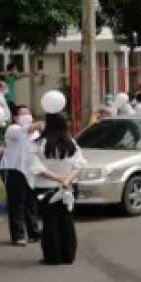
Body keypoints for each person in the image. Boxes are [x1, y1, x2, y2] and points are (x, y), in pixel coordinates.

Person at [31, 113, 86, 264]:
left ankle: (53, 256)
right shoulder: (72, 143)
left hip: (45, 188)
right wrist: (66, 178)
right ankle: (68, 255)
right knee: (67, 221)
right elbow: (79, 165)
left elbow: (37, 167)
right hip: (67, 187)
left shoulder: (39, 144)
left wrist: (57, 177)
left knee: (50, 223)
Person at [2, 105, 42, 245]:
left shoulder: (35, 134)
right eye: (22, 113)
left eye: (28, 112)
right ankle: (18, 235)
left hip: (30, 171)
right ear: (15, 117)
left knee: (31, 203)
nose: (26, 115)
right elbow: (24, 131)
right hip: (16, 170)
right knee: (17, 204)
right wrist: (44, 122)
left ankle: (34, 232)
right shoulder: (13, 129)